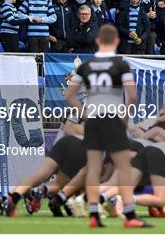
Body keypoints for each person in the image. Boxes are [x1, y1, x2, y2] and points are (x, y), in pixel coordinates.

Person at [65, 24, 152, 228]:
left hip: (94, 119)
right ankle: (130, 215)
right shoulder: (120, 65)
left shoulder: (85, 66)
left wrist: (86, 115)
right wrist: (124, 119)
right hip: (113, 117)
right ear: (116, 42)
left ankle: (94, 214)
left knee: (94, 166)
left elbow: (70, 95)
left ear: (97, 42)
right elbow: (132, 96)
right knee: (123, 166)